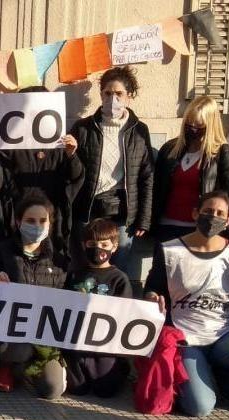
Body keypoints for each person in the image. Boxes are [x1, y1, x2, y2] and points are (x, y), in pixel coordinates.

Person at [144, 190, 229, 417]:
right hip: (186, 337)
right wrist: (151, 296)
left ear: (228, 220)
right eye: (208, 211)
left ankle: (223, 379)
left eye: (220, 213)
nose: (213, 217)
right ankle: (203, 378)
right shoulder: (169, 250)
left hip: (225, 335)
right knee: (199, 407)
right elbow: (153, 287)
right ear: (195, 213)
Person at [0, 193, 68, 398]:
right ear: (18, 222)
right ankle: (8, 365)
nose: (37, 226)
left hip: (44, 336)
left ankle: (32, 368)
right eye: (30, 220)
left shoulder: (59, 259)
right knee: (20, 350)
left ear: (50, 224)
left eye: (43, 221)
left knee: (52, 390)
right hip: (10, 333)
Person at [69, 66, 153, 273]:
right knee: (84, 268)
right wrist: (70, 154)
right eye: (107, 93)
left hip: (122, 214)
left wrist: (143, 219)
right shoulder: (83, 128)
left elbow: (147, 176)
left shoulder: (139, 131)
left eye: (118, 94)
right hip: (87, 210)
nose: (112, 99)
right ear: (101, 95)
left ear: (129, 96)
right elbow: (70, 172)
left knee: (117, 269)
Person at [3, 86, 83, 256]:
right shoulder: (10, 144)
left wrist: (71, 156)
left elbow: (75, 178)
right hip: (16, 221)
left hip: (51, 223)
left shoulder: (60, 145)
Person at [152, 96, 229, 243]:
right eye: (189, 122)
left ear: (210, 124)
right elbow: (156, 187)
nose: (193, 127)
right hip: (166, 226)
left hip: (201, 229)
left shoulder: (222, 153)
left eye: (199, 124)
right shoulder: (170, 149)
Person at [63, 218, 131, 397]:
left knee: (105, 391)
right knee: (77, 389)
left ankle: (121, 367)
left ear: (114, 247)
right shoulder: (75, 274)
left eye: (104, 244)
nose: (98, 248)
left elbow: (125, 315)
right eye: (92, 244)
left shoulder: (120, 279)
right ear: (84, 245)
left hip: (103, 346)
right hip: (77, 344)